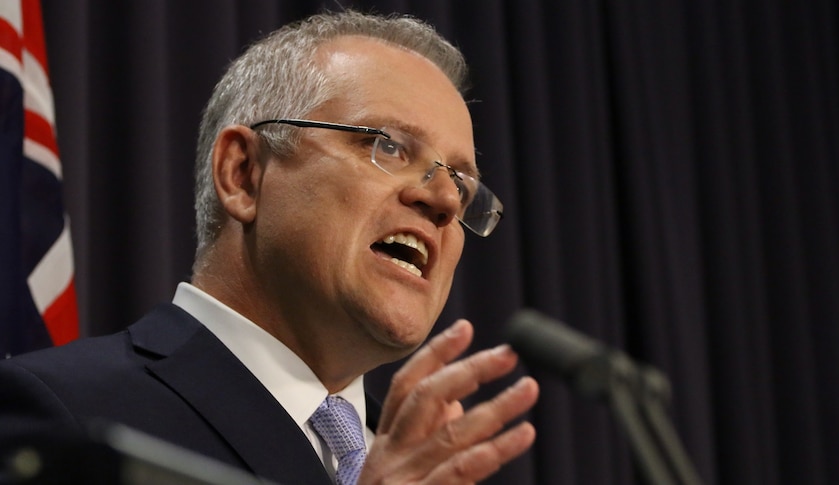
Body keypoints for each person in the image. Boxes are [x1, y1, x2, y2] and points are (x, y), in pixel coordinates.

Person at [0, 10, 539, 485]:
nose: (445, 199)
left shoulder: (427, 471)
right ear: (243, 174)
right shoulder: (63, 413)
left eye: (463, 184)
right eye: (388, 145)